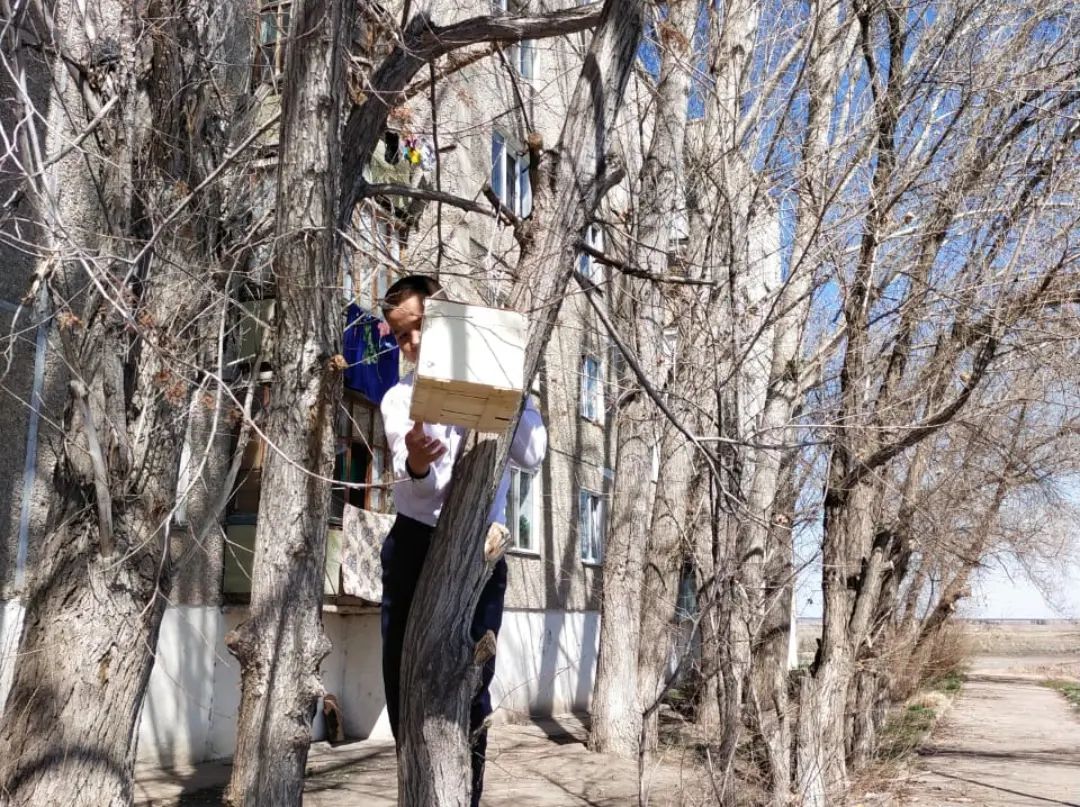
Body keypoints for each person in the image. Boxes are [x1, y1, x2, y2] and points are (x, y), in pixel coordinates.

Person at [378, 274, 546, 806]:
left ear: (446, 320)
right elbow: (418, 492)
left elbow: (532, 454)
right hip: (414, 547)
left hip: (480, 552)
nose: (412, 343)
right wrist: (417, 462)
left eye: (420, 327)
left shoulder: (496, 378)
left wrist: (505, 390)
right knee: (402, 676)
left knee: (472, 678)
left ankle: (465, 796)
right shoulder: (399, 398)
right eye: (401, 336)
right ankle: (417, 790)